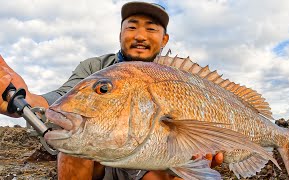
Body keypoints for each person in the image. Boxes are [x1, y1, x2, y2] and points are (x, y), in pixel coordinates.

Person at [0, 1, 223, 179]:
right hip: (103, 166)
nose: (140, 36)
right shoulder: (94, 69)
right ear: (120, 33)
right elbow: (60, 99)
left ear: (164, 39)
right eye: (132, 26)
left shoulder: (183, 78)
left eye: (151, 29)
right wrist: (23, 99)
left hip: (157, 167)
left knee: (176, 169)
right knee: (74, 143)